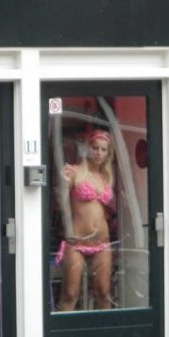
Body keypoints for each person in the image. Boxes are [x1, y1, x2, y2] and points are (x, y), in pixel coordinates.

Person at [56, 129, 116, 311]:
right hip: (77, 242)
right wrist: (62, 184)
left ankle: (105, 329)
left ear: (108, 153)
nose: (99, 153)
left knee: (104, 293)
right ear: (88, 148)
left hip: (102, 242)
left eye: (103, 149)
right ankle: (63, 329)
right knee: (70, 294)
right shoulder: (75, 172)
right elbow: (60, 203)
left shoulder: (106, 176)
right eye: (95, 148)